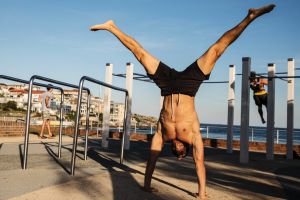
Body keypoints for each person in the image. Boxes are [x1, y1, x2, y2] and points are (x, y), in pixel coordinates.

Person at [90, 4, 275, 199]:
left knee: (140, 53)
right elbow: (199, 163)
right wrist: (202, 193)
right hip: (188, 86)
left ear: (173, 148)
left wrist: (146, 185)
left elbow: (152, 159)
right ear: (184, 148)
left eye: (176, 153)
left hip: (167, 85)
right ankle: (250, 17)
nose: (179, 152)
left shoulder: (163, 134)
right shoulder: (193, 136)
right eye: (181, 154)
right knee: (216, 50)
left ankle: (111, 27)